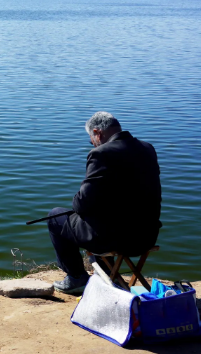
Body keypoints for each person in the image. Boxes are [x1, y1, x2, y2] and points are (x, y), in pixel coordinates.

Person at [48, 111, 162, 294]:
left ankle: (76, 278)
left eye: (91, 139)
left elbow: (82, 203)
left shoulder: (101, 153)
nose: (92, 143)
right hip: (145, 237)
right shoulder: (147, 148)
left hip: (113, 240)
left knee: (55, 216)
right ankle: (109, 272)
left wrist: (79, 200)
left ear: (97, 133)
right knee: (103, 217)